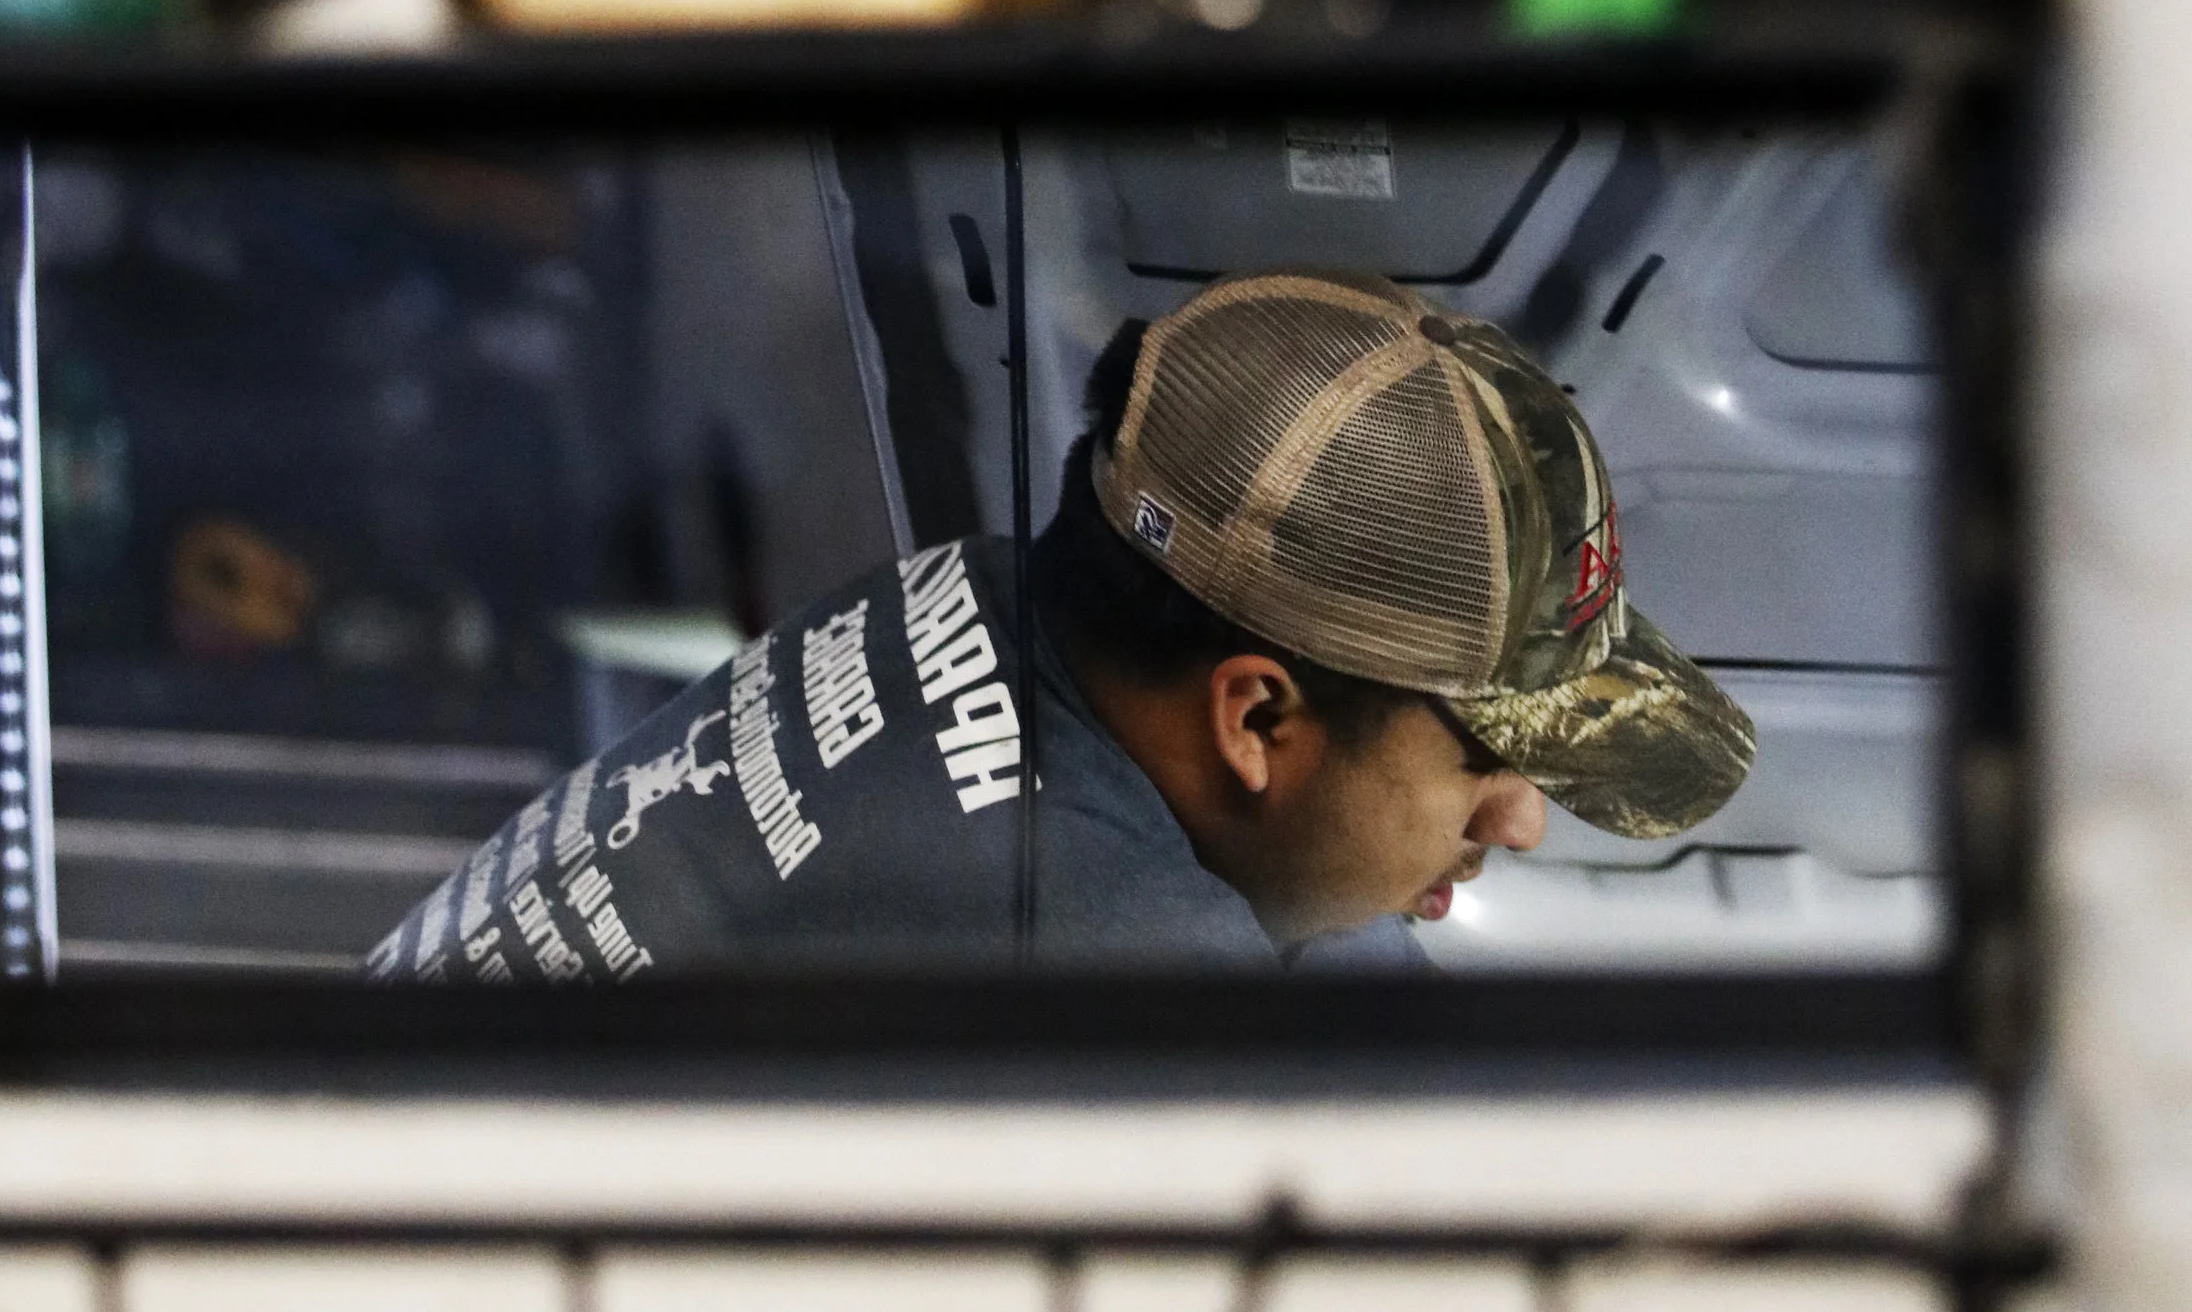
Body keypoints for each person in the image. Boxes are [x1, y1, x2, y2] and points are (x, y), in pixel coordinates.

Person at [368, 274, 1756, 983]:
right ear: (1255, 717)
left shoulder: (971, 597)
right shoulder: (1102, 951)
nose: (1523, 823)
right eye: (1488, 757)